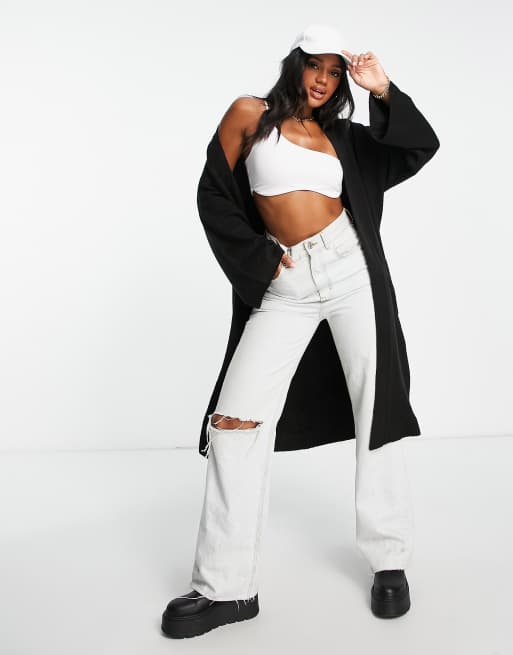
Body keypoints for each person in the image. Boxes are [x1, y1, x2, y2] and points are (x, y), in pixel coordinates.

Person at [161, 23, 440, 639]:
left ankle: (389, 560)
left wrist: (382, 89)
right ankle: (227, 587)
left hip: (350, 270)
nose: (324, 80)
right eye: (316, 65)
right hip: (285, 281)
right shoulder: (249, 114)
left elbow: (420, 146)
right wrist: (260, 262)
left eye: (336, 72)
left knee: (376, 404)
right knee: (234, 421)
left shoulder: (343, 137)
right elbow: (213, 195)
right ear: (296, 63)